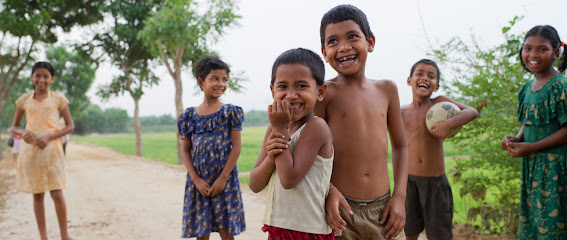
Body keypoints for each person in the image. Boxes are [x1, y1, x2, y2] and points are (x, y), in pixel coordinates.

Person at [316, 5, 409, 240]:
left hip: (384, 211)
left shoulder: (387, 89)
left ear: (370, 42)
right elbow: (312, 153)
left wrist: (399, 197)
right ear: (324, 52)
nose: (344, 47)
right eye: (333, 41)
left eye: (352, 36)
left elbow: (400, 146)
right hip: (338, 210)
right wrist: (329, 192)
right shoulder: (324, 94)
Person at [249, 48, 334, 239]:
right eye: (282, 87)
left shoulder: (316, 127)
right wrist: (271, 157)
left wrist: (280, 129)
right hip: (279, 228)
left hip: (308, 231)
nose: (291, 95)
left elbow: (289, 179)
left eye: (301, 86)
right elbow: (255, 184)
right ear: (272, 91)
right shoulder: (273, 129)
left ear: (320, 92)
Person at [501, 25, 567, 239]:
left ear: (556, 52)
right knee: (533, 224)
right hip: (532, 167)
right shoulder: (528, 88)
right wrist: (517, 138)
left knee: (553, 224)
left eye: (542, 49)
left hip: (555, 169)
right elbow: (529, 122)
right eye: (528, 48)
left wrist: (532, 147)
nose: (533, 55)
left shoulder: (560, 86)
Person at [400, 59, 479, 240]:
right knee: (409, 231)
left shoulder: (439, 105)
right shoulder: (402, 114)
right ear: (409, 80)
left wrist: (449, 123)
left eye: (431, 76)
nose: (425, 78)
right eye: (420, 74)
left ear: (436, 86)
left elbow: (472, 112)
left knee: (439, 235)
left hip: (435, 185)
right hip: (409, 182)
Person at [177, 56, 245, 240]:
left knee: (226, 230)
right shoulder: (189, 116)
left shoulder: (230, 112)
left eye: (224, 79)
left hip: (224, 181)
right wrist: (195, 179)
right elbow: (185, 149)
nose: (221, 84)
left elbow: (236, 147)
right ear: (201, 81)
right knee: (202, 230)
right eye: (215, 78)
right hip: (199, 183)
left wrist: (223, 178)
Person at [10, 62, 75, 240]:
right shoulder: (24, 100)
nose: (41, 80)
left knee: (57, 193)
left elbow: (70, 126)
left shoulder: (58, 99)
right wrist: (23, 132)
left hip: (52, 152)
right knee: (38, 195)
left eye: (45, 76)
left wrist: (49, 137)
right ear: (32, 77)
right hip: (32, 153)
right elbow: (14, 126)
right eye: (37, 75)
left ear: (51, 79)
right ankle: (43, 237)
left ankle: (64, 235)